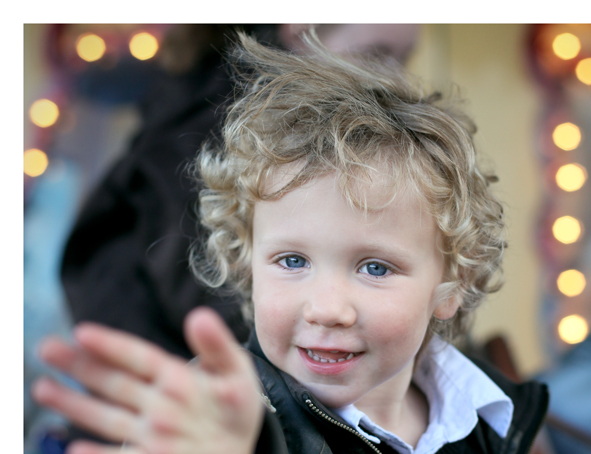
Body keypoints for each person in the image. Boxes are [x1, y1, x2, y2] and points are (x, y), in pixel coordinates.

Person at [32, 33, 578, 454]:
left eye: (375, 267)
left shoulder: (470, 422)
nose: (327, 307)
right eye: (291, 261)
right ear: (245, 260)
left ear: (450, 285)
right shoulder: (255, 427)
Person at [60, 24, 421, 360]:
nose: (392, 80)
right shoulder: (213, 133)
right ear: (299, 29)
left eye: (404, 60)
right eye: (376, 56)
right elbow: (218, 305)